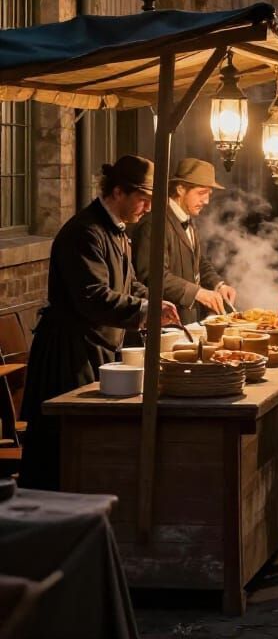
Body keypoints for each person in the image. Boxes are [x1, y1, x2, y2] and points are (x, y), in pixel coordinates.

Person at [20, 156, 180, 490]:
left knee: (91, 441)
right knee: (63, 443)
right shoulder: (86, 232)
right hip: (70, 353)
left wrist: (155, 302)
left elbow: (128, 284)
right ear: (118, 192)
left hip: (97, 347)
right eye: (143, 199)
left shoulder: (117, 231)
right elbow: (93, 296)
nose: (149, 208)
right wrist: (145, 309)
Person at [133, 157, 237, 324]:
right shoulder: (154, 223)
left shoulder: (187, 218)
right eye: (201, 193)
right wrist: (198, 293)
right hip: (164, 324)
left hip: (187, 322)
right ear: (180, 189)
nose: (206, 201)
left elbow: (198, 261)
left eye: (208, 194)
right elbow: (153, 276)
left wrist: (218, 285)